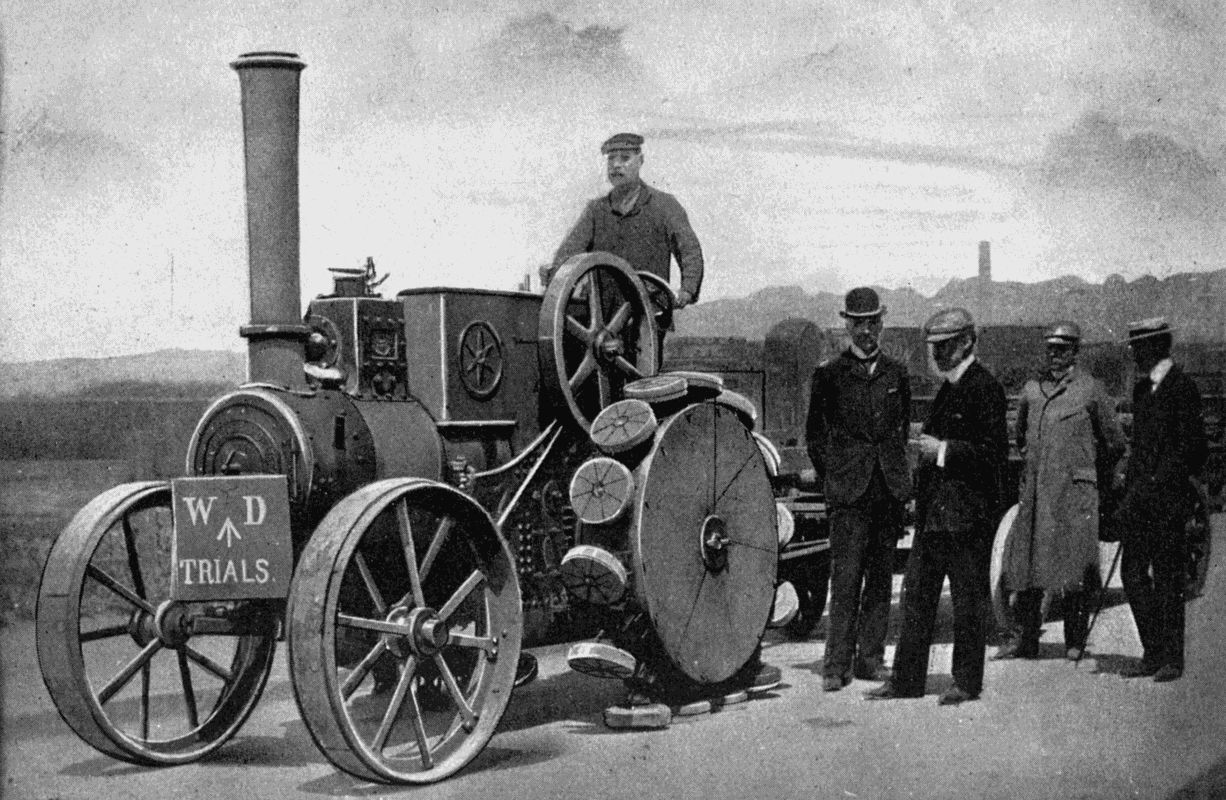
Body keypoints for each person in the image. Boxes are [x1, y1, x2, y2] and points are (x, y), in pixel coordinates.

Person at [865, 307, 1007, 705]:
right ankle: (905, 681)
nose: (937, 353)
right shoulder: (950, 387)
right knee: (916, 599)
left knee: (968, 603)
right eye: (935, 347)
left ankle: (966, 682)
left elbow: (992, 455)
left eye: (945, 346)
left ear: (967, 342)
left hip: (966, 518)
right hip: (936, 516)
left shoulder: (984, 388)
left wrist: (941, 450)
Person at [995, 322, 1125, 661]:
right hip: (1038, 493)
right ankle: (1027, 641)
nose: (1055, 355)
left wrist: (1088, 472)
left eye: (1063, 349)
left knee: (1075, 568)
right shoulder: (1032, 391)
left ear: (1075, 352)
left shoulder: (1090, 390)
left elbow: (1114, 443)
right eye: (1051, 349)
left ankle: (1074, 641)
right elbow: (1021, 438)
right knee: (1029, 566)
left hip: (1075, 494)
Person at [804, 287, 911, 691]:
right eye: (858, 323)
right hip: (849, 494)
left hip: (886, 491)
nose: (866, 331)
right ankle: (835, 666)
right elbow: (815, 437)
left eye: (873, 323)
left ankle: (870, 660)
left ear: (882, 323)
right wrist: (836, 476)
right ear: (846, 325)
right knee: (845, 580)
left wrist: (897, 480)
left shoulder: (897, 373)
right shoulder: (829, 374)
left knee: (881, 580)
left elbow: (900, 431)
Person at [547, 133, 704, 354]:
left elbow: (689, 250)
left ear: (640, 161)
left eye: (625, 158)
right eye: (611, 159)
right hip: (602, 320)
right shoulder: (596, 211)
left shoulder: (665, 206)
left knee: (643, 373)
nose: (616, 165)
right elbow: (568, 254)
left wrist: (687, 290)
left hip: (647, 315)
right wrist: (556, 281)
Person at [1112, 317, 1206, 683]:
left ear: (1156, 347)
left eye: (1138, 347)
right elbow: (1140, 449)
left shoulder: (1182, 387)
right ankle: (1152, 650)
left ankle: (1171, 658)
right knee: (1132, 574)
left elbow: (1193, 450)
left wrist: (1158, 481)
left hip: (1167, 502)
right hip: (1140, 502)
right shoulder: (1141, 391)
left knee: (1168, 579)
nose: (1134, 354)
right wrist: (1131, 487)